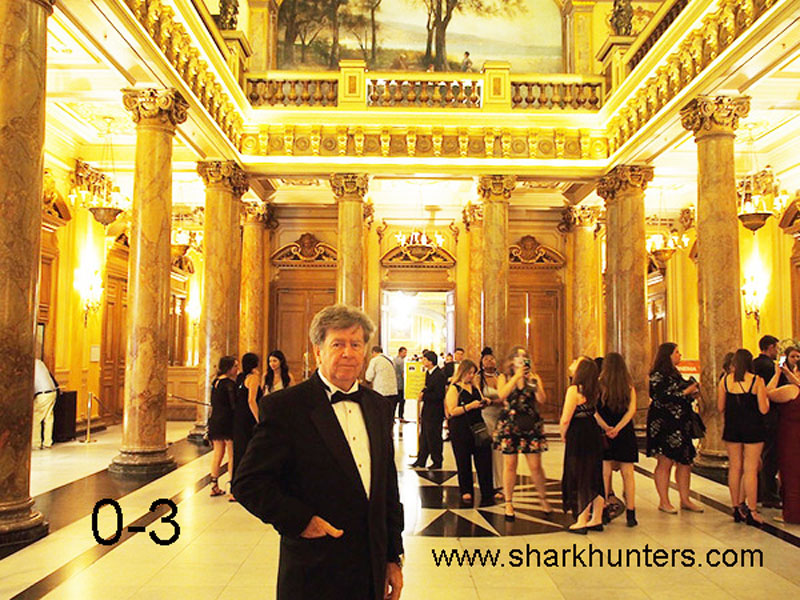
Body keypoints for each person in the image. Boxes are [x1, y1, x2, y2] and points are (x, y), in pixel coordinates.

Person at [232, 304, 404, 600]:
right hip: (314, 568)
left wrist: (392, 556)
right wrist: (300, 521)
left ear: (365, 351)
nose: (348, 353)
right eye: (337, 344)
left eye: (356, 344)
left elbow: (387, 488)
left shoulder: (379, 407)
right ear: (318, 351)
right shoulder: (286, 407)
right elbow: (248, 483)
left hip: (370, 570)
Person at [494, 346, 552, 521]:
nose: (521, 359)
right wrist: (516, 378)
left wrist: (534, 384)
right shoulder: (504, 377)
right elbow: (502, 395)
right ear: (512, 360)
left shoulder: (533, 377)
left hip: (530, 423)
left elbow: (542, 399)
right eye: (518, 356)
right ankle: (509, 502)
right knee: (510, 464)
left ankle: (543, 498)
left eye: (524, 356)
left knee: (535, 465)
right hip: (510, 424)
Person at [646, 342, 704, 513]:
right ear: (668, 355)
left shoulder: (675, 373)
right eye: (677, 352)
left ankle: (685, 499)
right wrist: (686, 392)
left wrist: (692, 393)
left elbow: (680, 395)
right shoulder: (657, 375)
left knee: (685, 461)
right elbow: (661, 397)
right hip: (665, 422)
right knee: (665, 461)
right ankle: (664, 501)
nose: (680, 355)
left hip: (681, 422)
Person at [718, 349, 769, 526]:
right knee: (750, 469)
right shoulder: (756, 380)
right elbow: (763, 409)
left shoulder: (725, 380)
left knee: (735, 467)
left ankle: (735, 507)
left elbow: (720, 407)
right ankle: (752, 510)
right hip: (753, 428)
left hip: (732, 427)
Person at [560, 358, 605, 533]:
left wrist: (563, 434)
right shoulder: (595, 389)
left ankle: (581, 520)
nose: (571, 364)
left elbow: (566, 418)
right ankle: (597, 518)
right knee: (594, 473)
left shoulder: (574, 390)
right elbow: (593, 413)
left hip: (578, 433)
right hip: (592, 432)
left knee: (579, 474)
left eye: (575, 362)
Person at [596, 352, 638, 527]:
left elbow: (594, 411)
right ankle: (631, 513)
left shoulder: (599, 385)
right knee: (628, 473)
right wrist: (619, 428)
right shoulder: (628, 386)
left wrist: (607, 428)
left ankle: (605, 509)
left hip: (605, 433)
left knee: (605, 473)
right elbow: (632, 410)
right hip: (625, 432)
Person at [446, 359, 494, 506]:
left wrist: (484, 402)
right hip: (461, 428)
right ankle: (466, 489)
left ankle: (487, 489)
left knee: (484, 459)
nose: (472, 376)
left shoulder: (474, 387)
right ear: (462, 372)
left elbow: (480, 401)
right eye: (469, 373)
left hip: (477, 426)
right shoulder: (454, 389)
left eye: (473, 373)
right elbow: (452, 411)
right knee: (463, 460)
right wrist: (469, 406)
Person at [766, 365, 800, 523]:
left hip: (791, 437)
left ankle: (793, 513)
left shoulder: (791, 390)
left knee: (790, 474)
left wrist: (777, 373)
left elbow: (768, 392)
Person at [754, 334, 781, 508]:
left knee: (757, 456)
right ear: (770, 347)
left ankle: (756, 492)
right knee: (770, 456)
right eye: (776, 348)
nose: (777, 351)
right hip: (770, 415)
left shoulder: (753, 364)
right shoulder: (770, 367)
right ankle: (769, 494)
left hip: (755, 417)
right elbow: (775, 391)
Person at [232, 353, 262, 501]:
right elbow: (252, 400)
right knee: (250, 452)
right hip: (249, 418)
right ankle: (246, 487)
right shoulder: (253, 378)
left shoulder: (240, 377)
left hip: (239, 417)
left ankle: (235, 488)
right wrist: (259, 419)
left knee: (239, 451)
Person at [410, 350, 446, 469]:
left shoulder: (439, 375)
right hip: (427, 409)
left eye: (425, 359)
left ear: (430, 361)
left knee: (434, 436)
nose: (422, 361)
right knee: (424, 435)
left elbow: (439, 395)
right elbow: (427, 388)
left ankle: (437, 461)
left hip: (435, 411)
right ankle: (421, 460)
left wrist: (424, 396)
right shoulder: (428, 373)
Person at [208, 356, 238, 497]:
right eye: (235, 366)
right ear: (229, 368)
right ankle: (232, 488)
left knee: (218, 453)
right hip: (227, 420)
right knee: (232, 455)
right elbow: (233, 405)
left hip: (215, 419)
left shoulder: (216, 382)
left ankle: (214, 485)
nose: (237, 369)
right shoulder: (229, 384)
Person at [479, 347, 504, 501]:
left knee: (499, 451)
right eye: (486, 359)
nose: (489, 361)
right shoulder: (479, 378)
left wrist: (496, 401)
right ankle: (489, 482)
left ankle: (500, 482)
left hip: (500, 416)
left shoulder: (501, 377)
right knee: (487, 450)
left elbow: (504, 395)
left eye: (492, 359)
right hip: (486, 416)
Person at [32, 358, 58, 450]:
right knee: (48, 418)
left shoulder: (30, 365)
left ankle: (36, 443)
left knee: (36, 418)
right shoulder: (39, 362)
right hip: (52, 391)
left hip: (42, 394)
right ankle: (47, 442)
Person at [393, 347, 408, 422]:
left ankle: (393, 417)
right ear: (400, 352)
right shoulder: (400, 361)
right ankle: (401, 416)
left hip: (395, 383)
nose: (405, 354)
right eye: (404, 352)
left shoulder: (394, 359)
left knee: (395, 401)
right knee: (401, 401)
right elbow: (402, 373)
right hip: (400, 384)